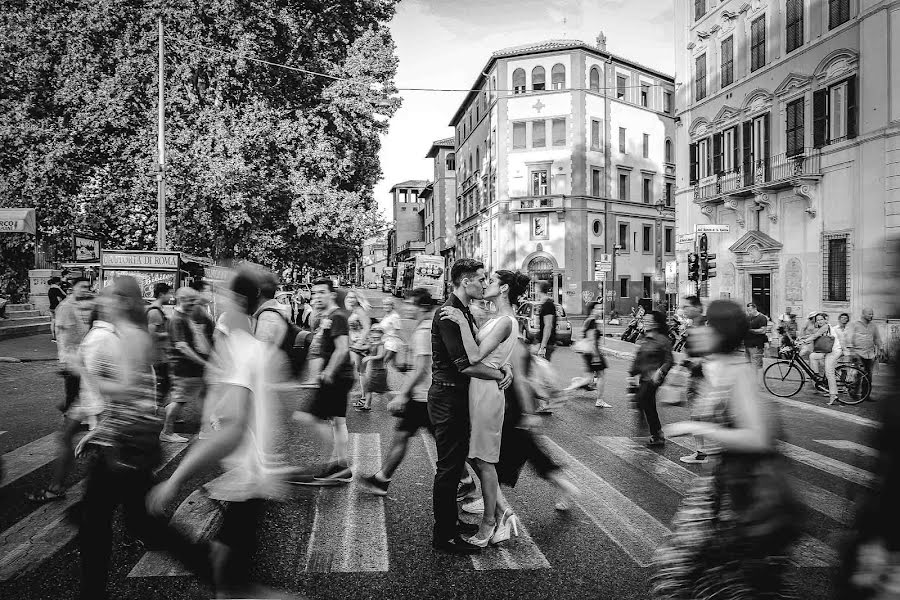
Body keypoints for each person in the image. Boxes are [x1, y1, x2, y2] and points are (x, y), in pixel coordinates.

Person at [146, 270, 298, 599]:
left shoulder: (243, 350)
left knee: (228, 581)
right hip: (247, 477)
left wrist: (174, 480)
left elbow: (232, 431)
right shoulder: (243, 349)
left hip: (247, 478)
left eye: (224, 294)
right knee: (225, 572)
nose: (215, 300)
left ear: (240, 301)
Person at [653, 299, 801, 600]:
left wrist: (699, 428)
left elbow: (758, 437)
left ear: (721, 331)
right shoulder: (714, 365)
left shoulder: (739, 371)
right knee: (684, 571)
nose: (699, 329)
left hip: (745, 490)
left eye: (707, 324)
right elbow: (675, 395)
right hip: (721, 484)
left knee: (711, 577)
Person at [76, 277, 214, 600]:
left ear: (123, 301)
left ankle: (91, 592)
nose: (103, 302)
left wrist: (88, 373)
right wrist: (100, 429)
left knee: (96, 522)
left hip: (127, 445)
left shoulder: (133, 338)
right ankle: (210, 568)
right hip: (128, 440)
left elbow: (124, 389)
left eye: (109, 297)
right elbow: (134, 397)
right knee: (140, 523)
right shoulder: (130, 335)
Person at [428, 258, 512, 555]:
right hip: (448, 399)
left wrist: (505, 366)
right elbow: (464, 365)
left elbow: (488, 350)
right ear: (466, 281)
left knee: (456, 465)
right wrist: (500, 374)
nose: (483, 282)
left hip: (459, 400)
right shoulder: (450, 314)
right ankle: (444, 537)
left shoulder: (463, 310)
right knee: (449, 470)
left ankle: (450, 523)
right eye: (480, 278)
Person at [440, 270, 527, 547]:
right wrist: (506, 364)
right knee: (476, 455)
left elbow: (475, 355)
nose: (485, 284)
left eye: (490, 281)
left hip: (487, 391)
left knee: (483, 459)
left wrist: (461, 323)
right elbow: (492, 352)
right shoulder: (496, 319)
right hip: (480, 386)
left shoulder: (504, 321)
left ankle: (490, 522)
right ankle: (502, 513)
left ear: (503, 289)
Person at [359, 289, 435, 495]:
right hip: (423, 395)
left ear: (424, 308)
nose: (406, 307)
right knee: (404, 436)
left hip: (424, 396)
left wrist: (402, 395)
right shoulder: (423, 329)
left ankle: (469, 483)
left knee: (448, 447)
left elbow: (421, 368)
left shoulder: (424, 332)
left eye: (411, 304)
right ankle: (382, 479)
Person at [290, 278, 355, 484]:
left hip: (335, 378)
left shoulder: (337, 317)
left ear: (331, 295)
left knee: (306, 416)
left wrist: (327, 372)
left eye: (321, 293)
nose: (316, 297)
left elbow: (343, 348)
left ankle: (337, 464)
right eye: (314, 293)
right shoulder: (328, 316)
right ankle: (341, 467)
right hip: (339, 377)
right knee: (337, 421)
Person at [161, 287, 212, 443]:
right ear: (181, 299)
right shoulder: (178, 319)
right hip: (183, 369)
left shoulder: (186, 316)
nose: (193, 303)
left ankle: (205, 427)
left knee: (197, 396)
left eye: (194, 300)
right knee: (180, 400)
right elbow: (182, 346)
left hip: (190, 369)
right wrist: (204, 362)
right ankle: (167, 431)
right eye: (190, 300)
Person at [628, 310, 673, 447]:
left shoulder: (663, 340)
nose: (646, 322)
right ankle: (657, 434)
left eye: (649, 320)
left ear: (656, 323)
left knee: (642, 400)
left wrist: (660, 371)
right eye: (645, 320)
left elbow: (669, 361)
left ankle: (653, 430)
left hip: (654, 378)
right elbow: (638, 358)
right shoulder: (645, 338)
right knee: (649, 405)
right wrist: (631, 374)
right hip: (643, 376)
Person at [55, 277, 94, 415]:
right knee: (73, 389)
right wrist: (64, 359)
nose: (85, 290)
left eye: (87, 287)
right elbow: (61, 335)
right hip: (71, 356)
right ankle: (69, 417)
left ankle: (70, 411)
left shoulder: (79, 305)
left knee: (79, 388)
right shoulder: (66, 307)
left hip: (80, 354)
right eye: (82, 287)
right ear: (73, 288)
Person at [679, 295, 710, 465]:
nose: (684, 310)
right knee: (697, 415)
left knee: (702, 415)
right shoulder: (693, 327)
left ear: (698, 308)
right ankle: (701, 452)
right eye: (683, 307)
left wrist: (698, 361)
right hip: (695, 377)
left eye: (687, 307)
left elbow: (712, 353)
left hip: (705, 379)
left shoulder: (706, 327)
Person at [567, 302, 610, 408]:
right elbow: (591, 339)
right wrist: (596, 356)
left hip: (589, 352)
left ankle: (566, 391)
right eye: (598, 309)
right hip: (592, 353)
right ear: (592, 310)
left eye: (601, 308)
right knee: (600, 376)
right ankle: (599, 400)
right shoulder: (591, 321)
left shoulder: (590, 321)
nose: (601, 311)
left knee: (589, 378)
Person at [805, 312, 843, 406]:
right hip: (827, 351)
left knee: (829, 373)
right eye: (818, 320)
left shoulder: (826, 326)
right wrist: (801, 339)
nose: (820, 321)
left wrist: (803, 342)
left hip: (834, 351)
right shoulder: (821, 328)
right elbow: (813, 335)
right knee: (812, 356)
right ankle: (816, 375)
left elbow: (815, 336)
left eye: (821, 319)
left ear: (825, 320)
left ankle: (833, 395)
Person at [147, 282, 173, 411]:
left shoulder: (159, 310)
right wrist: (169, 334)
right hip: (158, 356)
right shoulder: (154, 312)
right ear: (162, 294)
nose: (171, 297)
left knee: (165, 384)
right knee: (162, 385)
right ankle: (159, 411)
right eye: (169, 294)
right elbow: (151, 334)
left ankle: (161, 410)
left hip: (162, 355)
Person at [847, 307, 882, 399]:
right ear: (863, 314)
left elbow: (877, 338)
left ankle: (866, 395)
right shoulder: (854, 324)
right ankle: (854, 393)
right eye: (869, 314)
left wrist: (879, 350)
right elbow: (849, 337)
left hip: (870, 354)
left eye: (872, 314)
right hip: (857, 353)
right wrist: (852, 351)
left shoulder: (873, 326)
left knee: (868, 375)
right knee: (858, 374)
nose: (872, 316)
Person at [345, 290, 372, 402]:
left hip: (361, 346)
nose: (350, 299)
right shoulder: (354, 311)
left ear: (358, 299)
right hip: (355, 345)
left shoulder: (360, 311)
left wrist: (360, 343)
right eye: (349, 297)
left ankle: (365, 398)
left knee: (361, 372)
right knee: (358, 372)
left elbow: (366, 327)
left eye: (353, 297)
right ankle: (364, 396)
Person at [358, 325, 387, 411]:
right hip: (374, 370)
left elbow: (381, 355)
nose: (375, 335)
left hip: (379, 370)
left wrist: (369, 357)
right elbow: (365, 347)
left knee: (376, 389)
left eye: (378, 333)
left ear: (381, 334)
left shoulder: (380, 344)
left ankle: (367, 405)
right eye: (373, 332)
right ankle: (367, 405)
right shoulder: (373, 343)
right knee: (370, 388)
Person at [535, 280, 557, 360]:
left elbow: (548, 326)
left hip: (547, 345)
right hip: (544, 343)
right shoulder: (545, 303)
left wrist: (542, 347)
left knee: (543, 369)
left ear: (539, 289)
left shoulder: (548, 304)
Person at [744, 303, 769, 372]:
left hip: (756, 345)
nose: (749, 312)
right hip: (747, 344)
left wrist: (750, 330)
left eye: (750, 310)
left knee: (757, 365)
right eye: (747, 310)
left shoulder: (762, 318)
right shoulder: (748, 318)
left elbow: (762, 331)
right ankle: (751, 380)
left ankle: (759, 381)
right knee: (748, 364)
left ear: (755, 309)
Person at [48, 276, 67, 341]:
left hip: (51, 307)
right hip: (57, 307)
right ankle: (58, 336)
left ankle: (53, 336)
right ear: (57, 282)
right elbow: (63, 297)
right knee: (58, 322)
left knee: (53, 321)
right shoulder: (57, 289)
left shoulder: (50, 289)